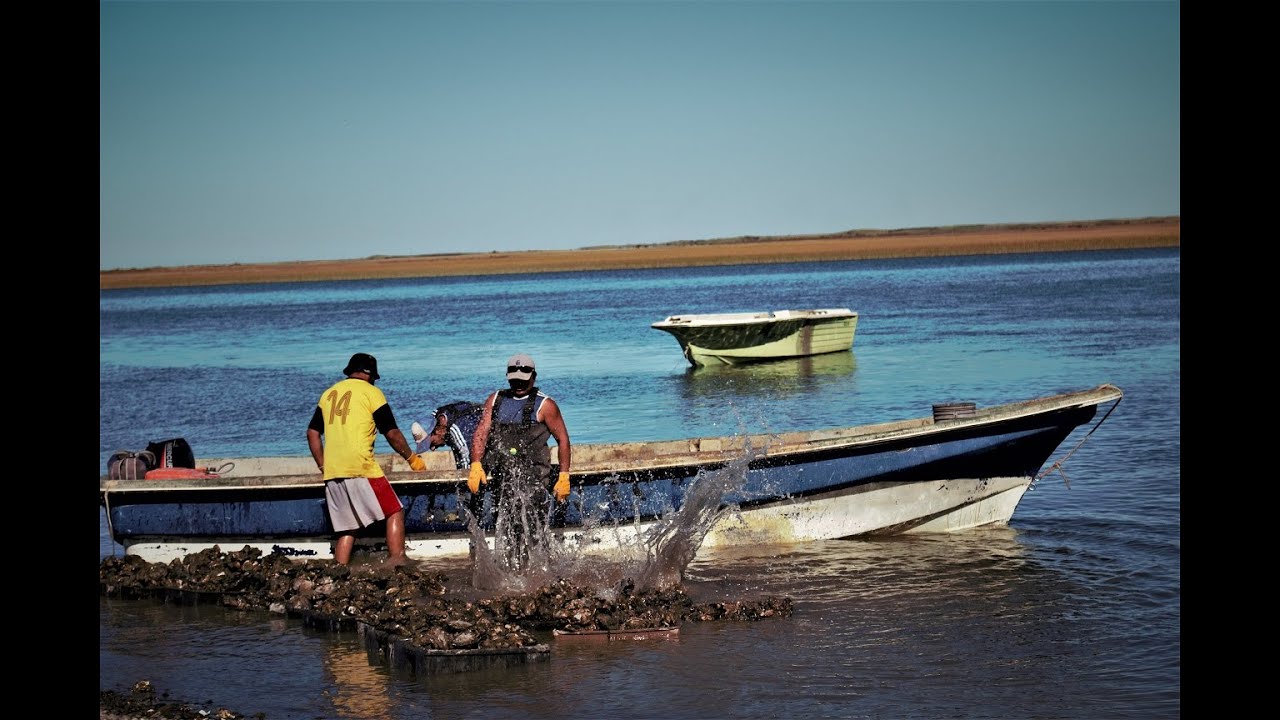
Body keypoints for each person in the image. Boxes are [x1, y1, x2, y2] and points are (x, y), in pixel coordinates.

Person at [306, 352, 427, 565]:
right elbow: (392, 433)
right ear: (371, 375)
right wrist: (411, 458)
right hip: (360, 467)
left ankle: (339, 570)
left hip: (333, 471)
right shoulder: (372, 393)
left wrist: (323, 464)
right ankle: (397, 562)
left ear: (350, 371)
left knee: (347, 526)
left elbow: (312, 433)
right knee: (394, 511)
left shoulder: (328, 394)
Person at [467, 353, 572, 568]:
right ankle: (513, 570)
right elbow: (481, 432)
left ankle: (538, 571)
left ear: (533, 377)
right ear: (508, 377)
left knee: (532, 529)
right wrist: (476, 464)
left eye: (523, 381)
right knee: (506, 527)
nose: (518, 385)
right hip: (503, 477)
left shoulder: (546, 405)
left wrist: (563, 475)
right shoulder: (496, 400)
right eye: (514, 380)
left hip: (534, 479)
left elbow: (563, 440)